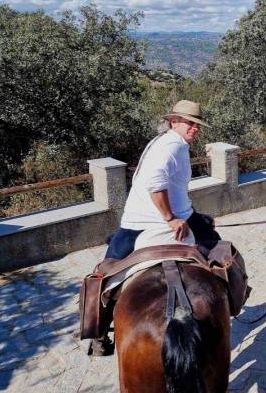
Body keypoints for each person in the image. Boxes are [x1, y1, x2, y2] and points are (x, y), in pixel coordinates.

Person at [90, 100, 221, 355]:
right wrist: (171, 218)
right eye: (190, 123)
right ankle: (226, 302)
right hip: (147, 221)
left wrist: (186, 213)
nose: (195, 129)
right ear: (174, 121)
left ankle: (97, 332)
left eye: (197, 125)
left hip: (169, 214)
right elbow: (155, 183)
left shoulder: (170, 142)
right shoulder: (172, 146)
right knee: (219, 252)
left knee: (107, 271)